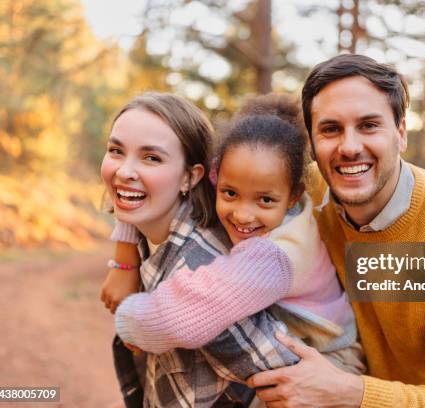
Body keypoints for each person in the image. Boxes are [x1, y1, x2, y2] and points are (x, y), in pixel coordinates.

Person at [247, 54, 425, 407]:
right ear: (312, 139)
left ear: (401, 134)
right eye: (331, 128)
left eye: (369, 125)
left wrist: (346, 391)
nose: (349, 147)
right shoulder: (297, 194)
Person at [109, 94, 365, 394]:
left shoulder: (273, 257)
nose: (242, 214)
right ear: (216, 174)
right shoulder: (262, 178)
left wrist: (128, 319)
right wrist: (125, 254)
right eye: (229, 193)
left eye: (265, 200)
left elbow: (186, 315)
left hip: (328, 362)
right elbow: (138, 186)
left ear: (294, 194)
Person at [100, 92, 300, 408]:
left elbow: (286, 375)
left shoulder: (203, 271)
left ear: (191, 176)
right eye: (116, 150)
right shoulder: (156, 219)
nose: (124, 170)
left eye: (152, 157)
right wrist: (124, 261)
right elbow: (122, 196)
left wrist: (128, 317)